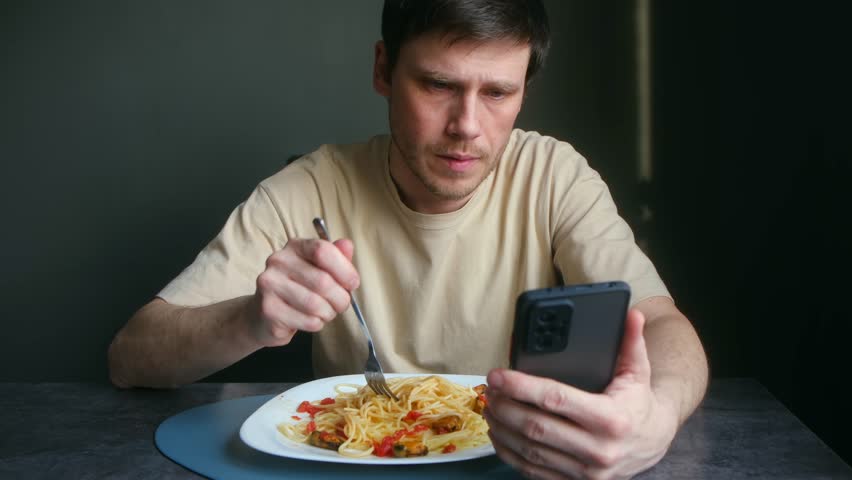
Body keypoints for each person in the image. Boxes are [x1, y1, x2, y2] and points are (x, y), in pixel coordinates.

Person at [109, 0, 708, 478]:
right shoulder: (308, 188)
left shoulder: (555, 175)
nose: (467, 127)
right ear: (382, 70)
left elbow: (662, 324)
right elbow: (131, 357)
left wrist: (656, 418)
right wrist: (250, 321)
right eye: (438, 85)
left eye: (498, 93)